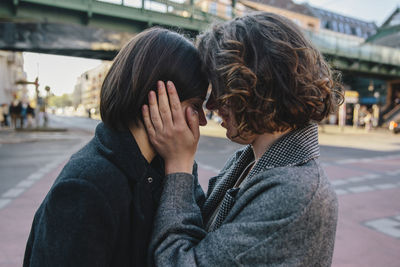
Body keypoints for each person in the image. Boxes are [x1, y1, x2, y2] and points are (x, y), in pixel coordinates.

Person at [143, 12, 343, 266]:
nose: (212, 104)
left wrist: (179, 166)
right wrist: (179, 152)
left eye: (222, 90)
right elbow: (206, 229)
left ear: (256, 87)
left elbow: (178, 261)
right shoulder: (252, 159)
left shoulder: (295, 192)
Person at [23, 27, 208, 267]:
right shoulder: (88, 186)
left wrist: (181, 167)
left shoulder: (165, 166)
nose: (202, 119)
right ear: (157, 99)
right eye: (195, 105)